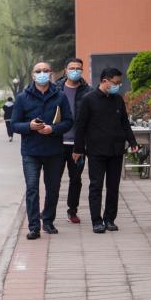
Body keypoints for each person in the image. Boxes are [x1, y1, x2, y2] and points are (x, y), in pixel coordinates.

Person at [10, 61, 74, 240]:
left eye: (45, 71)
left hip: (54, 151)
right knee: (32, 188)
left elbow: (68, 121)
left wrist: (52, 129)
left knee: (53, 188)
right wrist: (29, 126)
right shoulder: (23, 97)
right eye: (38, 71)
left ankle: (48, 221)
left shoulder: (60, 96)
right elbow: (14, 124)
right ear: (33, 75)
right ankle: (33, 227)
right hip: (31, 152)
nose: (42, 74)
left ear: (51, 74)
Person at [72, 68, 139, 234]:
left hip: (116, 150)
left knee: (113, 186)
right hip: (96, 150)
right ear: (104, 81)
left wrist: (132, 142)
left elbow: (125, 123)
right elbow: (80, 126)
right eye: (115, 83)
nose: (118, 86)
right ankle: (96, 221)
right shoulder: (88, 100)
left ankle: (109, 219)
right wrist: (78, 149)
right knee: (96, 185)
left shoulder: (118, 100)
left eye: (119, 83)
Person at [56, 58, 93, 225]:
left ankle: (72, 210)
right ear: (66, 70)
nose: (75, 71)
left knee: (76, 179)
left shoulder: (88, 91)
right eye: (72, 68)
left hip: (78, 144)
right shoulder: (56, 89)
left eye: (79, 68)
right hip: (57, 142)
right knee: (53, 179)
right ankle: (49, 210)